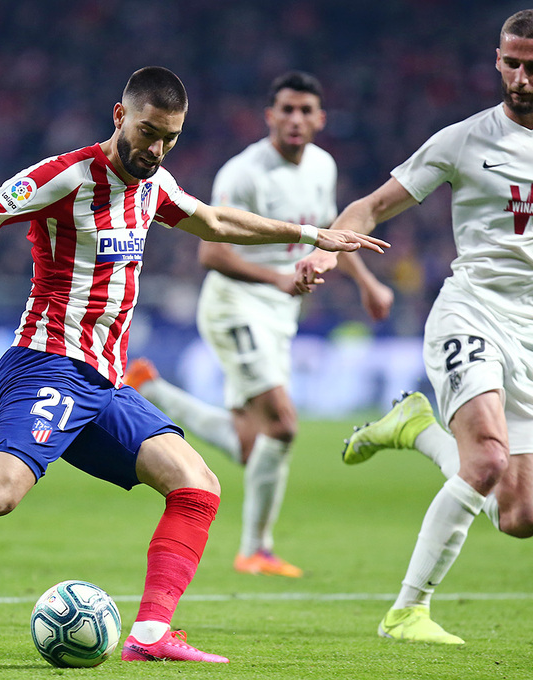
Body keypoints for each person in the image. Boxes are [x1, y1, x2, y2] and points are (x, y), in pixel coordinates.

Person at [0, 67, 388, 663]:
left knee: (197, 486)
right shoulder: (67, 176)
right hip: (47, 365)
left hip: (103, 384)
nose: (155, 150)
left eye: (169, 139)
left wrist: (312, 236)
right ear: (120, 116)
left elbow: (216, 220)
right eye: (147, 132)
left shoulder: (156, 185)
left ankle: (151, 634)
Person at [297, 9, 533, 644]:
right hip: (469, 314)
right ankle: (407, 611)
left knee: (523, 515)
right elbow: (372, 205)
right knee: (490, 457)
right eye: (510, 63)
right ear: (497, 60)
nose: (520, 78)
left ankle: (416, 429)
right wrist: (328, 248)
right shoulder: (463, 140)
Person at [125, 71, 393, 578]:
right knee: (283, 425)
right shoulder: (243, 173)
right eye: (286, 109)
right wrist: (277, 280)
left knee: (255, 444)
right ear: (270, 116)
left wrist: (366, 282)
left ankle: (151, 389)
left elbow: (330, 233)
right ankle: (256, 550)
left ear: (320, 119)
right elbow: (211, 254)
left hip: (279, 314)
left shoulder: (323, 166)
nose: (295, 119)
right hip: (236, 307)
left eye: (305, 110)